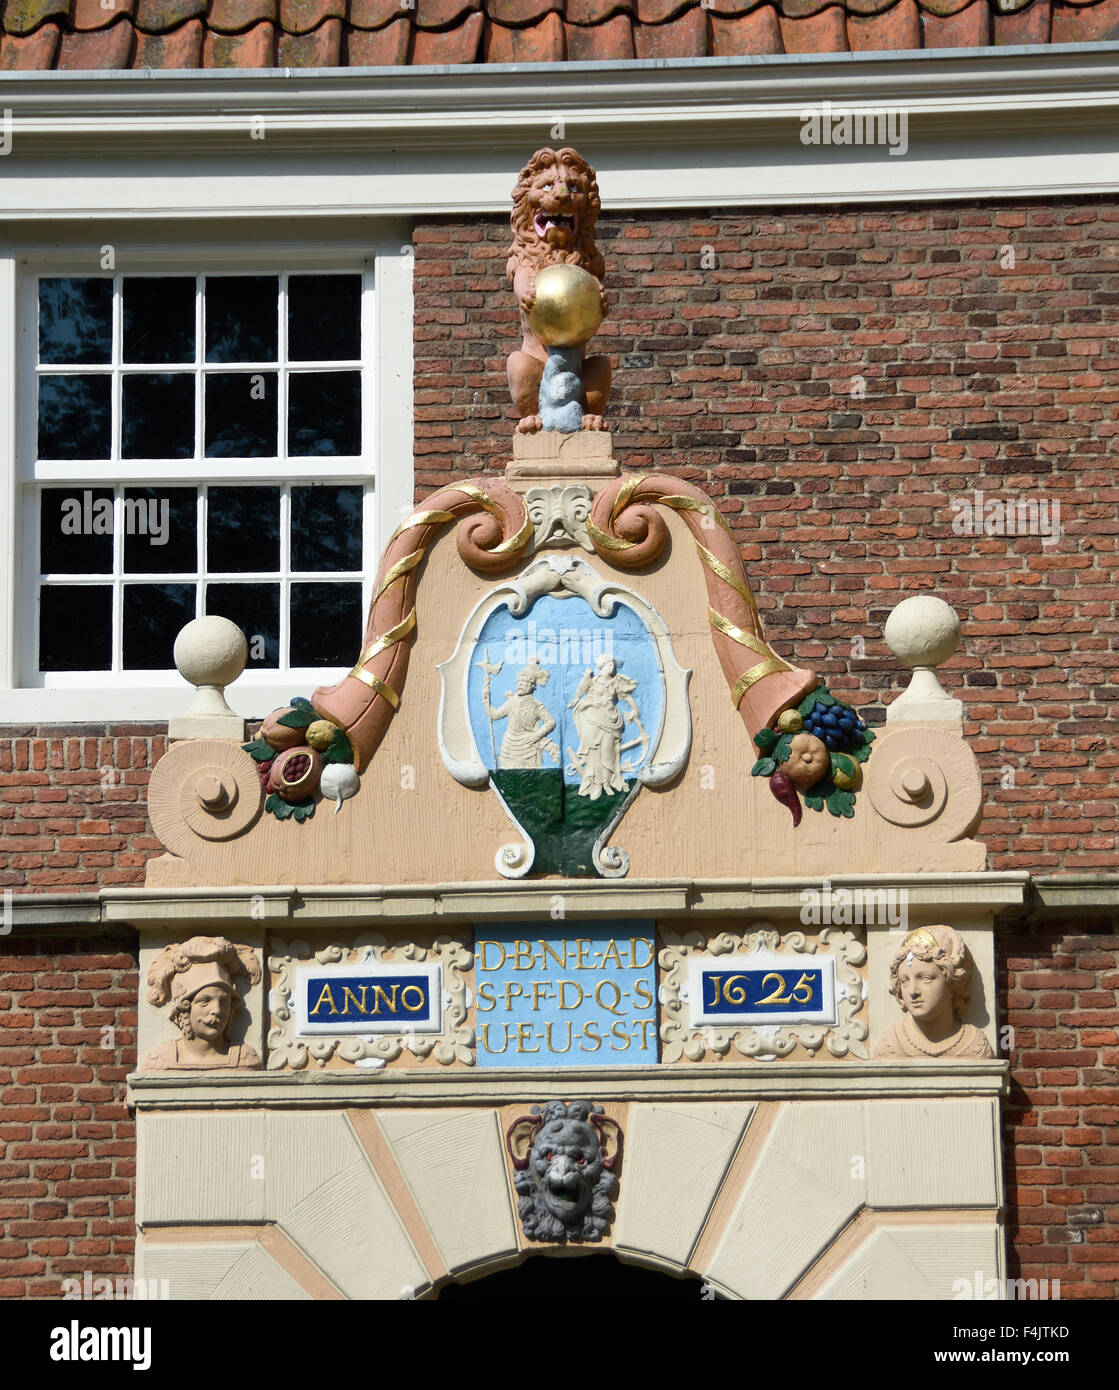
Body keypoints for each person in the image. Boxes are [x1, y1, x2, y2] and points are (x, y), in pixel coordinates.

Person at [141, 936, 262, 1071]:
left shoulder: (245, 1059)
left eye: (224, 1001)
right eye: (204, 1001)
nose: (217, 1010)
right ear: (184, 1008)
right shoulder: (160, 1060)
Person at [873, 925, 993, 1059]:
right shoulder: (890, 1046)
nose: (912, 991)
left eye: (926, 979)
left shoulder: (974, 1045)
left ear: (952, 983)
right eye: (904, 981)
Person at [567, 654, 640, 800]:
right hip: (593, 717)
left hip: (610, 718)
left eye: (612, 665)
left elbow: (626, 697)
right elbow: (581, 690)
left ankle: (608, 782)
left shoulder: (615, 682)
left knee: (608, 752)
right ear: (602, 666)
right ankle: (596, 786)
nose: (611, 667)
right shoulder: (593, 681)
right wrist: (576, 700)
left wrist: (635, 710)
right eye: (608, 664)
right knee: (594, 752)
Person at [482, 658, 559, 770]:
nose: (520, 684)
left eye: (524, 681)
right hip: (509, 745)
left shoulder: (535, 705)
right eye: (518, 681)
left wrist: (536, 736)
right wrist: (485, 700)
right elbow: (495, 715)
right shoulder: (511, 702)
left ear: (532, 685)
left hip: (528, 747)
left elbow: (550, 722)